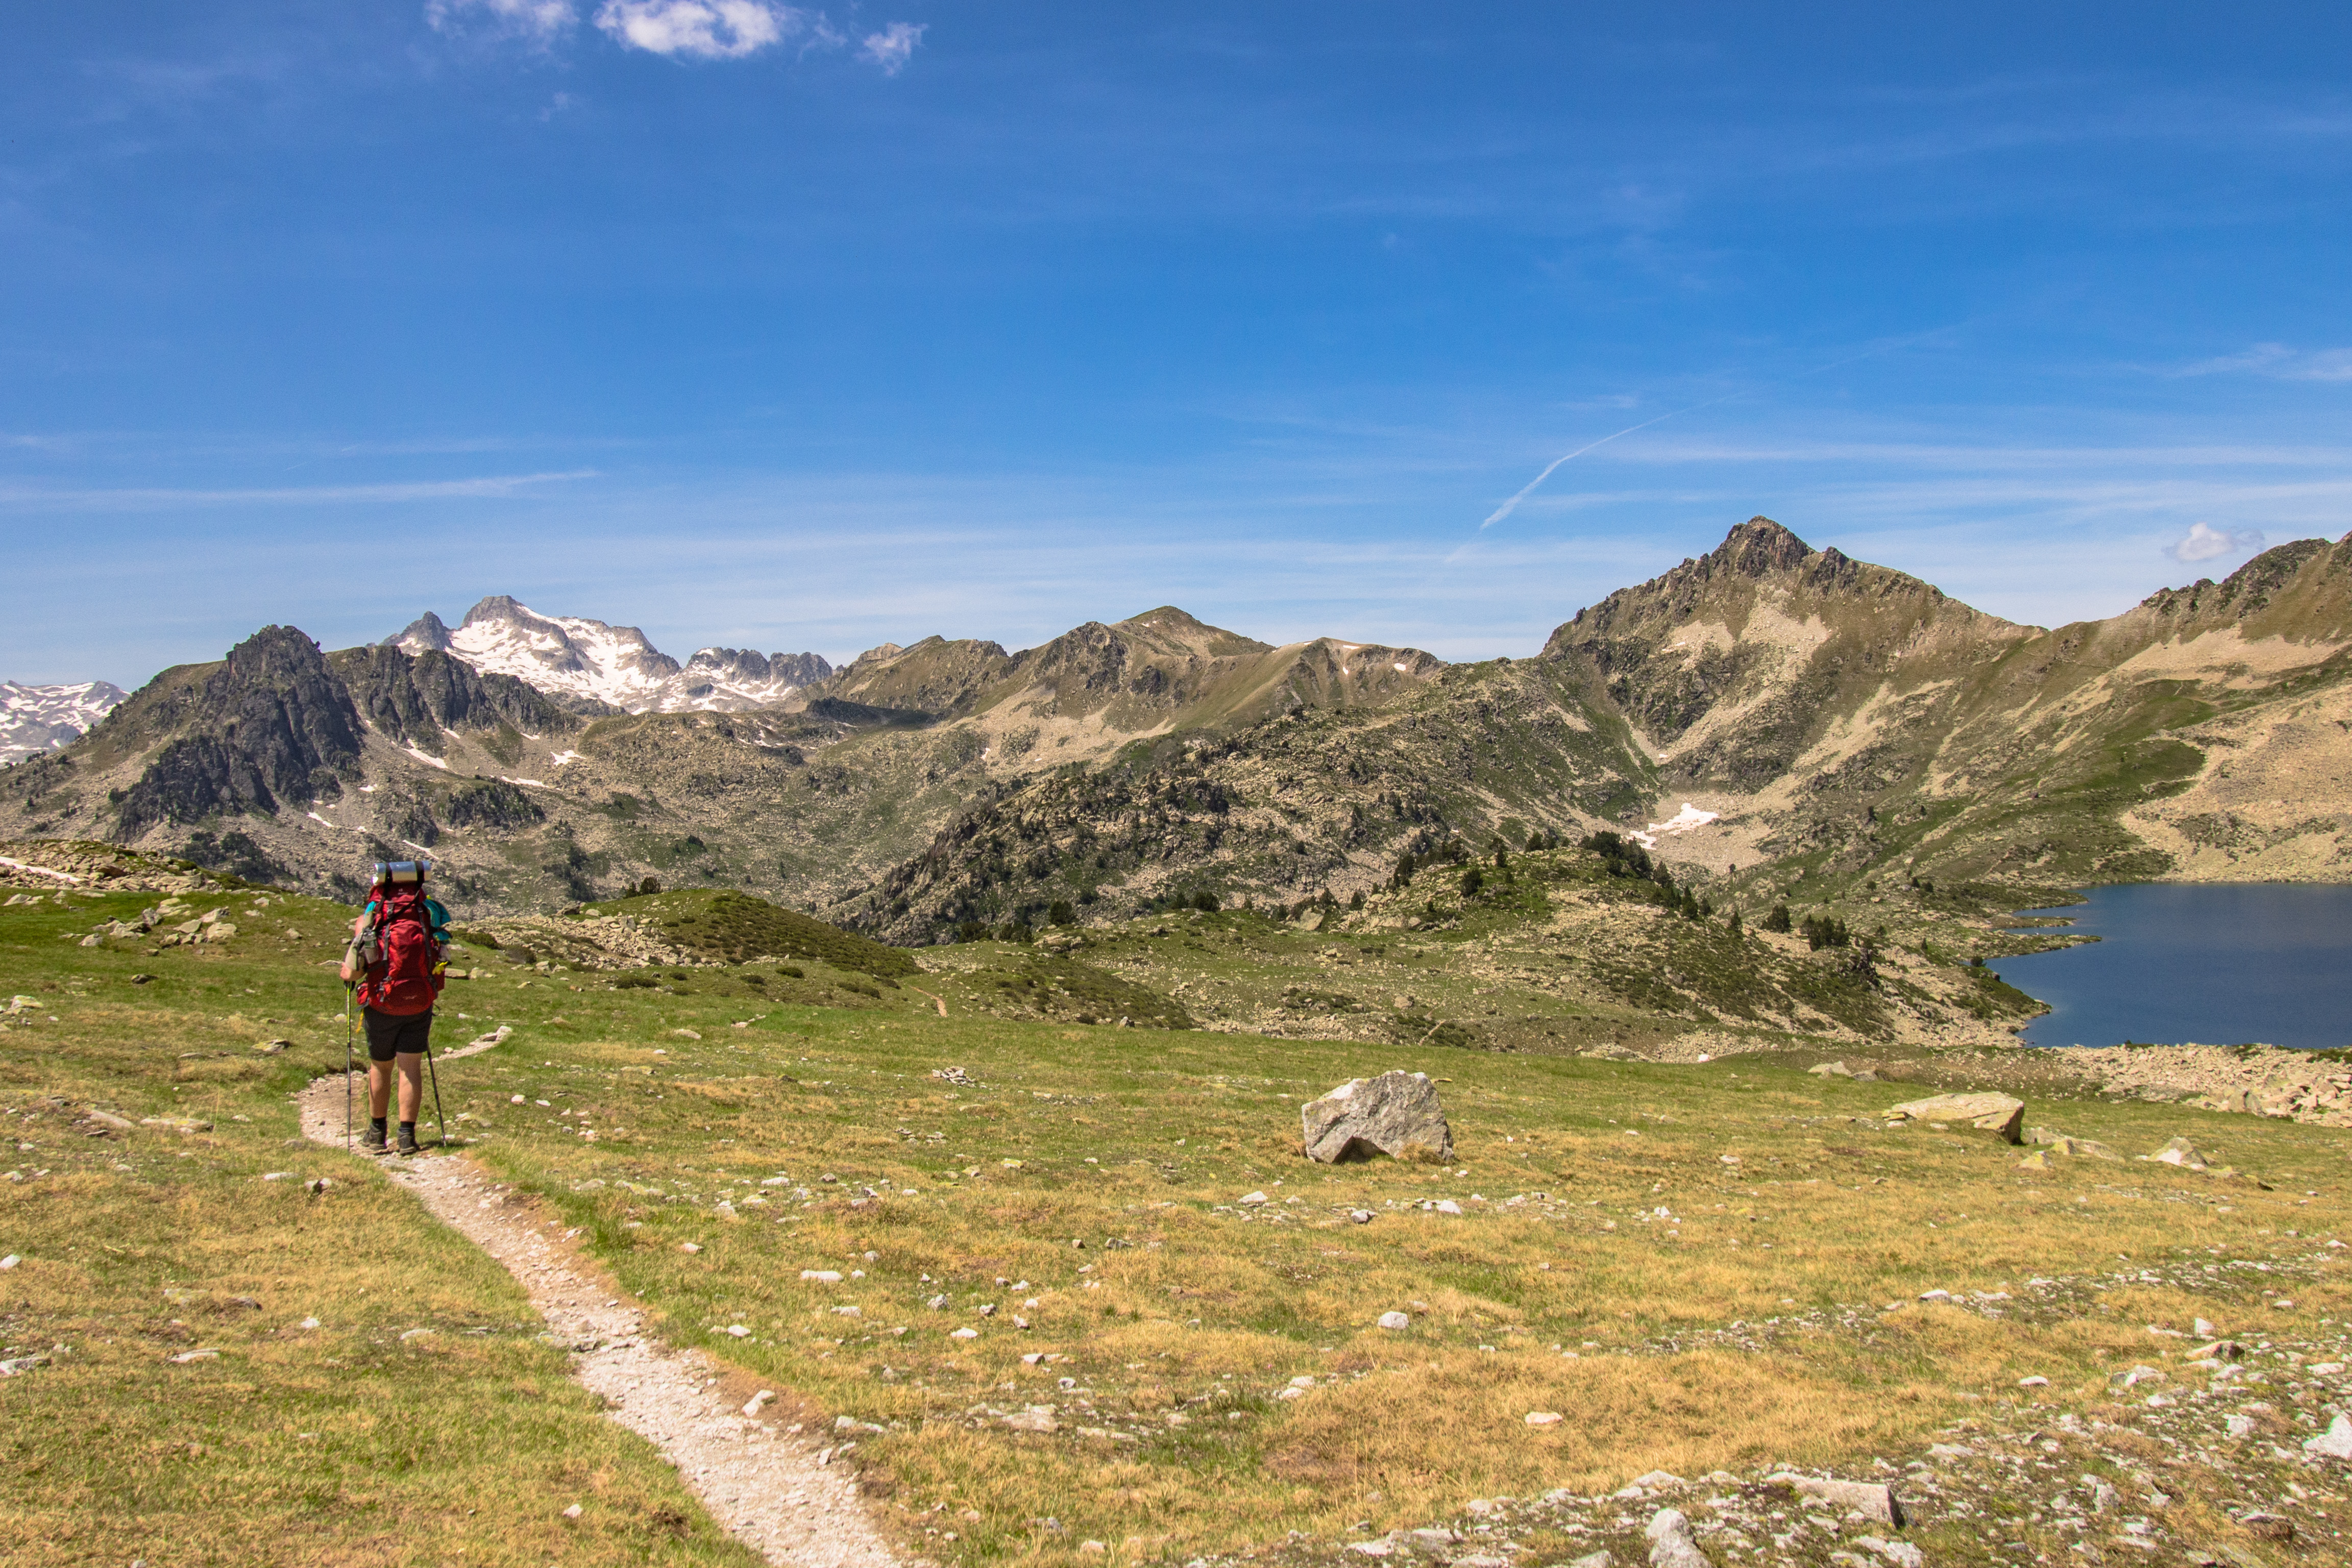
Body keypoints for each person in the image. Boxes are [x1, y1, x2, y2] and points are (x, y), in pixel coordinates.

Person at [340, 860, 450, 1155]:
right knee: (411, 1068)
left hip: (381, 1003)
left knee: (381, 1067)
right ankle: (407, 1137)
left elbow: (351, 973)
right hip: (419, 1002)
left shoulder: (370, 920)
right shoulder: (427, 914)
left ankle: (377, 1133)